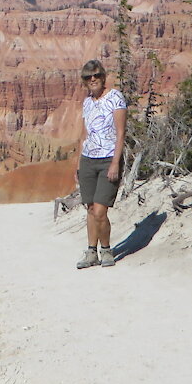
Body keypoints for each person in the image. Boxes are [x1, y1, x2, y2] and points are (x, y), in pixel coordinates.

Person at [75, 59, 126, 269]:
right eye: (88, 77)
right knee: (90, 208)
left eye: (96, 75)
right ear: (85, 81)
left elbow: (121, 133)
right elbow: (84, 135)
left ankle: (106, 249)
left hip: (107, 160)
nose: (93, 79)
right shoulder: (87, 102)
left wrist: (115, 163)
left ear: (103, 76)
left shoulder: (116, 98)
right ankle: (91, 252)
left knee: (100, 211)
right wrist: (77, 165)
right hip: (88, 160)